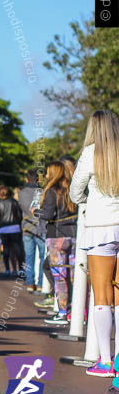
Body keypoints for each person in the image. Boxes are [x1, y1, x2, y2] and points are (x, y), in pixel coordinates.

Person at [68, 110, 119, 379]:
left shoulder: (90, 153)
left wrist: (91, 199)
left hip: (100, 228)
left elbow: (75, 192)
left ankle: (106, 361)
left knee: (102, 296)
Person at [37, 160, 78, 326]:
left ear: (53, 173)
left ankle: (62, 312)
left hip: (56, 236)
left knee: (60, 276)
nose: (46, 175)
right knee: (75, 276)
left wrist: (35, 211)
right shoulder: (72, 190)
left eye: (47, 172)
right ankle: (77, 312)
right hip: (74, 235)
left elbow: (48, 214)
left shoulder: (52, 191)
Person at [18, 168, 45, 293]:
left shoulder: (21, 193)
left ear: (26, 178)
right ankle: (40, 284)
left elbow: (22, 209)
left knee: (29, 256)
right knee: (42, 256)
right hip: (40, 227)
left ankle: (30, 283)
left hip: (27, 227)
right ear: (38, 179)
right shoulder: (43, 191)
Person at [0, 185, 24, 276]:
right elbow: (19, 216)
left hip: (3, 229)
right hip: (15, 228)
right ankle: (21, 269)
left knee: (6, 250)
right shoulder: (14, 202)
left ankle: (7, 269)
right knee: (18, 249)